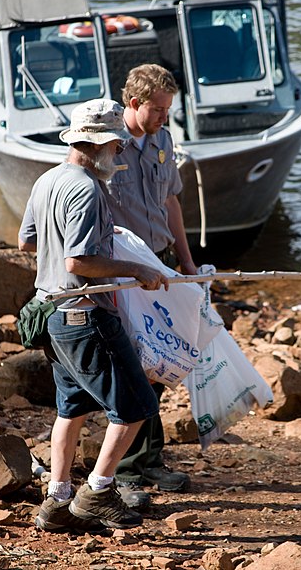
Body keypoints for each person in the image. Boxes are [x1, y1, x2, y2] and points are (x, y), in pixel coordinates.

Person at [18, 98, 169, 533]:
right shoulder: (85, 188)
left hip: (52, 314)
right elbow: (79, 262)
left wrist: (97, 242)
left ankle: (57, 499)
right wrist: (136, 268)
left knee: (73, 408)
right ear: (100, 143)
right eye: (118, 146)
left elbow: (28, 241)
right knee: (137, 405)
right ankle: (98, 492)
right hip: (84, 314)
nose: (120, 153)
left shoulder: (48, 179)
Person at [104, 64, 198, 511]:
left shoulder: (162, 138)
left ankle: (149, 457)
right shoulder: (106, 143)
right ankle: (121, 472)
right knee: (131, 364)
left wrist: (186, 260)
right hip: (124, 270)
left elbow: (171, 199)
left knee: (161, 359)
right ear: (134, 103)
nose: (164, 117)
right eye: (158, 110)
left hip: (160, 262)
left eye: (168, 110)